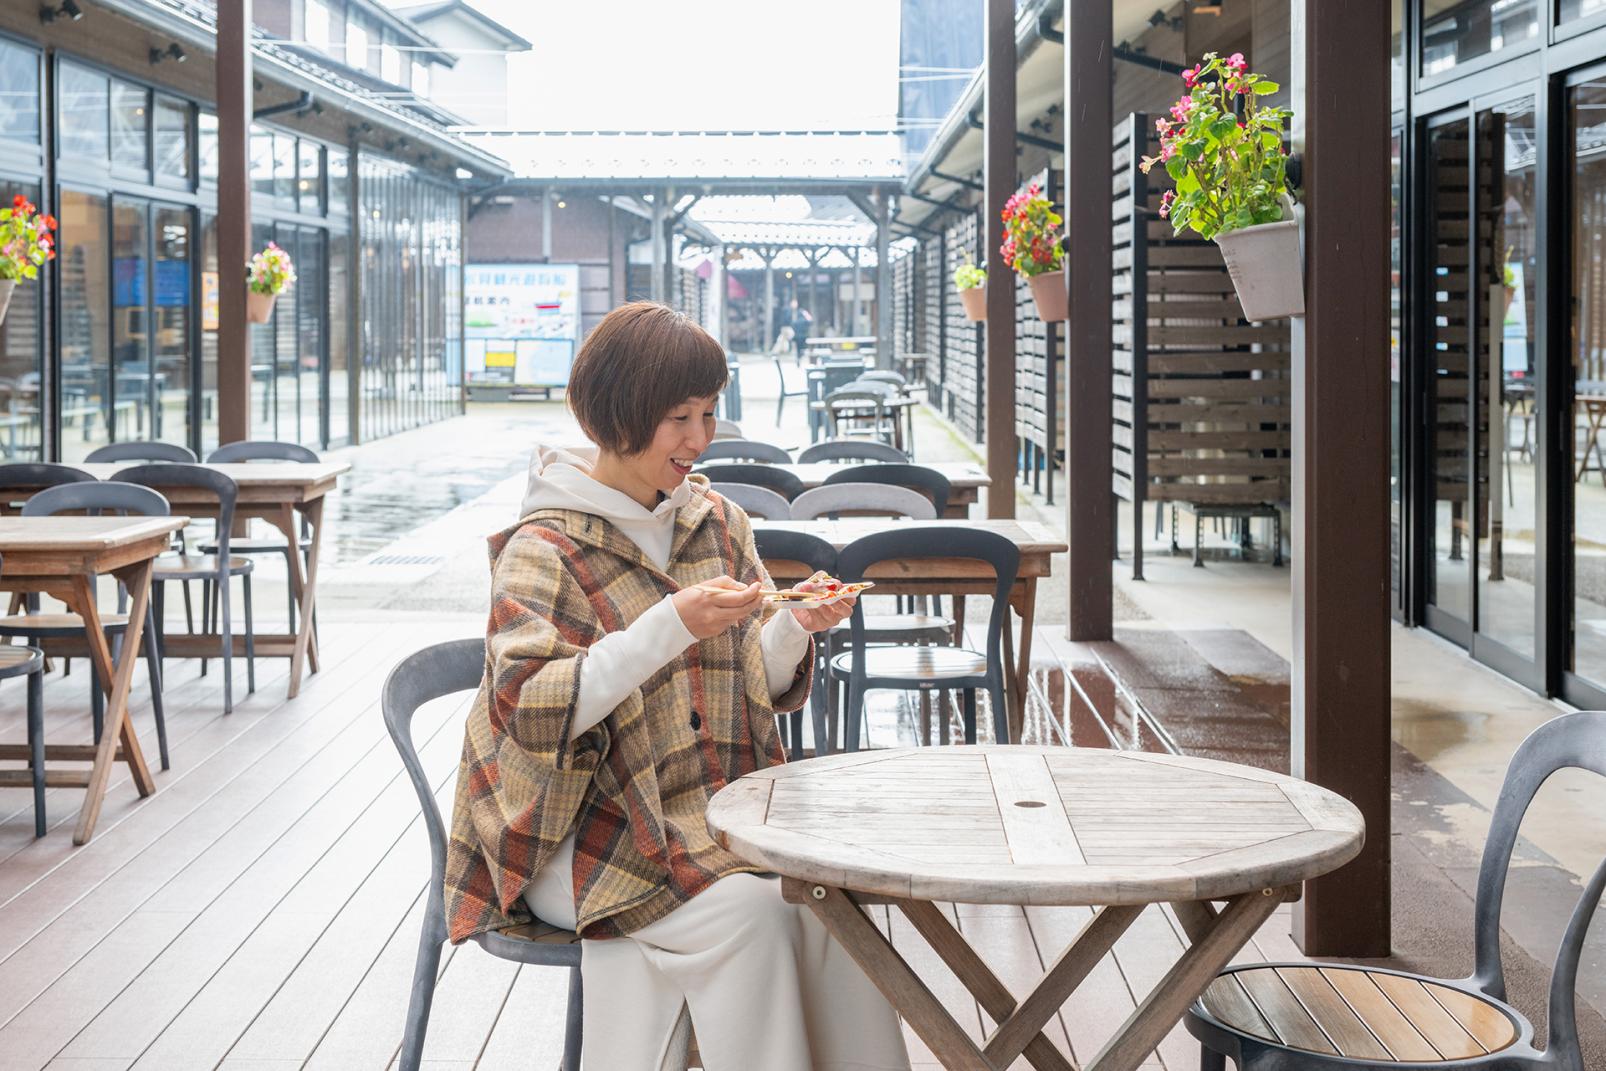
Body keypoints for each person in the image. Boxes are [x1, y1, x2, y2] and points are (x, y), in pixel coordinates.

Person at [444, 301, 911, 1071]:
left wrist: (797, 625)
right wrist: (671, 624)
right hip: (579, 836)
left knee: (833, 904)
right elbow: (531, 710)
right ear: (617, 416)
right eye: (678, 418)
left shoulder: (718, 523)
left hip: (710, 815)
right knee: (757, 914)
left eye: (709, 411)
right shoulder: (543, 546)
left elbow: (747, 682)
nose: (700, 438)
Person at [788, 298, 812, 364]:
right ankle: (800, 356)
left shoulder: (796, 322)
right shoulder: (805, 320)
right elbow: (810, 321)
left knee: (798, 349)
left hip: (797, 337)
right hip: (803, 336)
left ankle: (798, 358)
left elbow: (792, 326)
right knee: (803, 348)